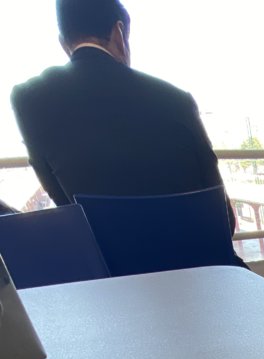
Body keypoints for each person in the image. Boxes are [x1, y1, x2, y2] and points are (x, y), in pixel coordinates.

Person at [10, 0, 237, 238]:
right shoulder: (176, 100)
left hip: (108, 261)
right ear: (119, 34)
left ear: (63, 43)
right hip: (196, 257)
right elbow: (225, 221)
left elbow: (66, 205)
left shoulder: (28, 99)